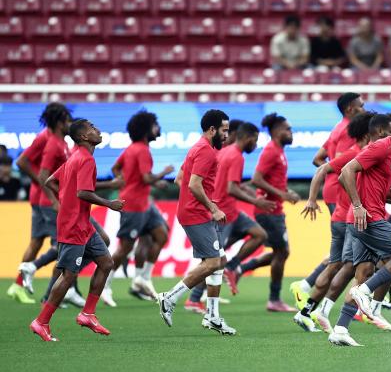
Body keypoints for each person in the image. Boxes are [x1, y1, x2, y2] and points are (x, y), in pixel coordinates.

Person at [329, 119, 391, 346]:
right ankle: (364, 292)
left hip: (366, 220)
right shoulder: (380, 147)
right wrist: (357, 206)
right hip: (370, 218)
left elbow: (380, 189)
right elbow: (345, 172)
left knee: (363, 274)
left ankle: (340, 330)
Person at [30, 119, 124, 341]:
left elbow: (52, 181)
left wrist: (65, 201)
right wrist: (109, 203)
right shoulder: (85, 160)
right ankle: (41, 321)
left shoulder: (76, 158)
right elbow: (83, 192)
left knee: (106, 262)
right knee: (69, 275)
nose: (98, 130)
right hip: (74, 225)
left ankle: (87, 314)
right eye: (93, 128)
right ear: (83, 137)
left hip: (82, 224)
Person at [157, 109, 237, 335]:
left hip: (192, 210)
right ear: (212, 130)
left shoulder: (198, 147)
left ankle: (212, 316)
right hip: (196, 214)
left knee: (218, 260)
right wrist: (212, 207)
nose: (226, 135)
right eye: (223, 130)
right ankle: (169, 298)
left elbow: (179, 178)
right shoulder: (207, 152)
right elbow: (192, 184)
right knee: (212, 263)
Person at [288, 93, 364, 309]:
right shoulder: (350, 131)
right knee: (344, 256)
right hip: (341, 192)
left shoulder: (339, 127)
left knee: (341, 254)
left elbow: (318, 158)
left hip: (334, 189)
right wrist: (335, 173)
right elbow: (339, 164)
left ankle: (306, 287)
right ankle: (315, 296)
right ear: (350, 108)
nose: (364, 108)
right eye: (361, 105)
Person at [101, 111, 174, 307]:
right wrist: (164, 173)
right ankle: (104, 287)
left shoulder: (131, 148)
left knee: (161, 234)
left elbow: (116, 168)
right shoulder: (142, 150)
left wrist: (125, 181)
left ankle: (142, 278)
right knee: (124, 248)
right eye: (154, 125)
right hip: (133, 205)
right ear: (145, 129)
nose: (157, 129)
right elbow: (146, 178)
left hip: (144, 204)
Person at [8, 103, 72, 305]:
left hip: (41, 196)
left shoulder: (54, 138)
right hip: (44, 197)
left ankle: (18, 285)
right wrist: (41, 181)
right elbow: (21, 162)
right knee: (60, 244)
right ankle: (52, 293)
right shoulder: (46, 138)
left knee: (36, 242)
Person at [239, 113, 300, 312]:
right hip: (268, 210)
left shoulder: (279, 151)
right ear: (277, 131)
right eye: (288, 129)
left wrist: (285, 192)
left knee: (280, 252)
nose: (291, 133)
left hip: (274, 209)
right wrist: (281, 194)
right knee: (282, 252)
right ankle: (274, 299)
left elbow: (273, 181)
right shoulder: (271, 151)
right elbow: (257, 178)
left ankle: (241, 268)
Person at [209, 122, 276, 295]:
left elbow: (229, 183)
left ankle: (232, 267)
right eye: (255, 140)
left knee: (259, 235)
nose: (255, 145)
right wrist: (256, 202)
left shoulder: (225, 152)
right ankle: (193, 298)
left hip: (231, 212)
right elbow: (231, 189)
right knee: (214, 261)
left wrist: (249, 192)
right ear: (247, 137)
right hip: (222, 213)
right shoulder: (237, 156)